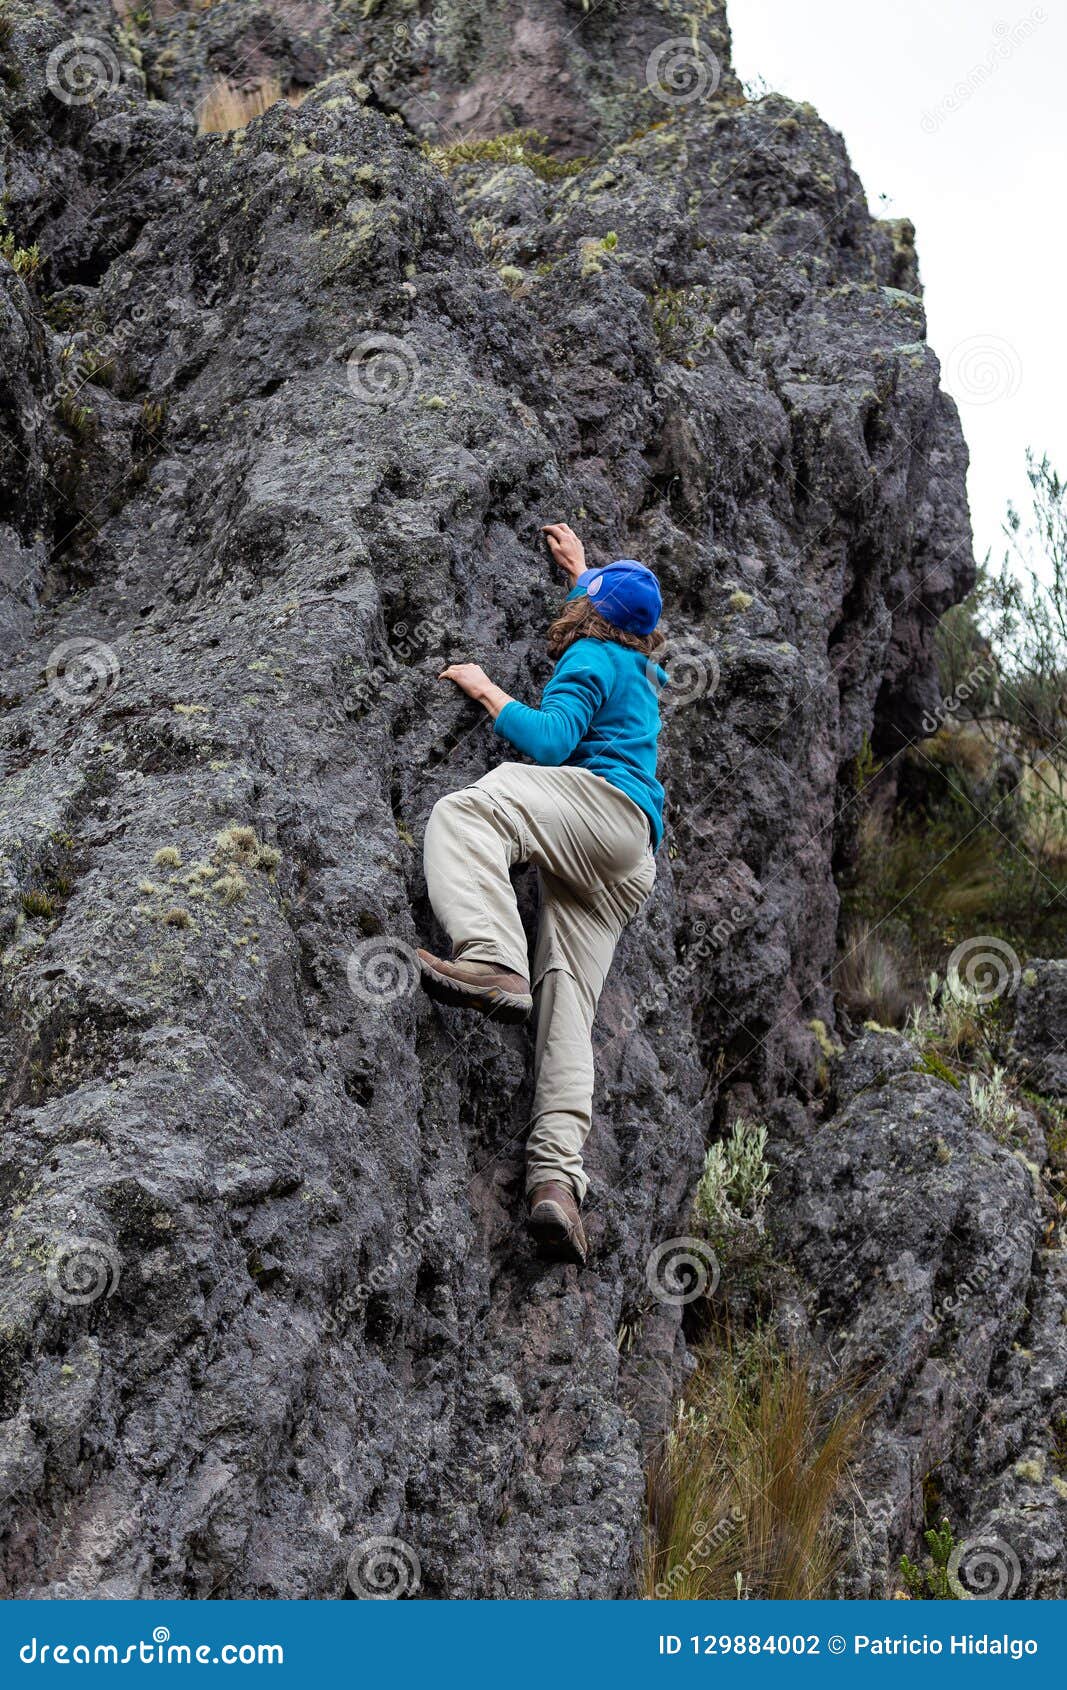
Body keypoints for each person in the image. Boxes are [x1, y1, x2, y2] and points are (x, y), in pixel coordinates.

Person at [418, 523, 667, 1265]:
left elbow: (554, 741)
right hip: (629, 858)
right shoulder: (635, 668)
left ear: (589, 612)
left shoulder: (591, 653)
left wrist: (483, 686)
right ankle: (556, 1181)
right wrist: (586, 573)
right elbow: (609, 617)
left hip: (600, 811)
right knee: (567, 1001)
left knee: (469, 810)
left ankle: (492, 957)